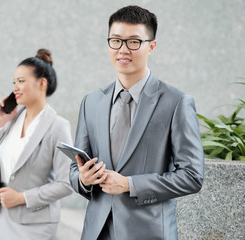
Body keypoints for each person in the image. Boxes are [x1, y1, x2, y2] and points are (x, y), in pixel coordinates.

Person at [69, 5, 204, 240]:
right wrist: (83, 179)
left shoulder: (177, 102)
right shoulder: (91, 102)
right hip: (96, 231)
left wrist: (130, 184)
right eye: (116, 41)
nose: (123, 50)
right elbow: (74, 168)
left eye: (134, 42)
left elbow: (192, 176)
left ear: (151, 46)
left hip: (149, 232)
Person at [0, 49, 73, 240]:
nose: (15, 87)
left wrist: (22, 198)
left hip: (35, 224)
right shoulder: (11, 120)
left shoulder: (58, 127)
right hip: (2, 217)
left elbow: (67, 183)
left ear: (42, 83)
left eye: (21, 81)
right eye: (14, 82)